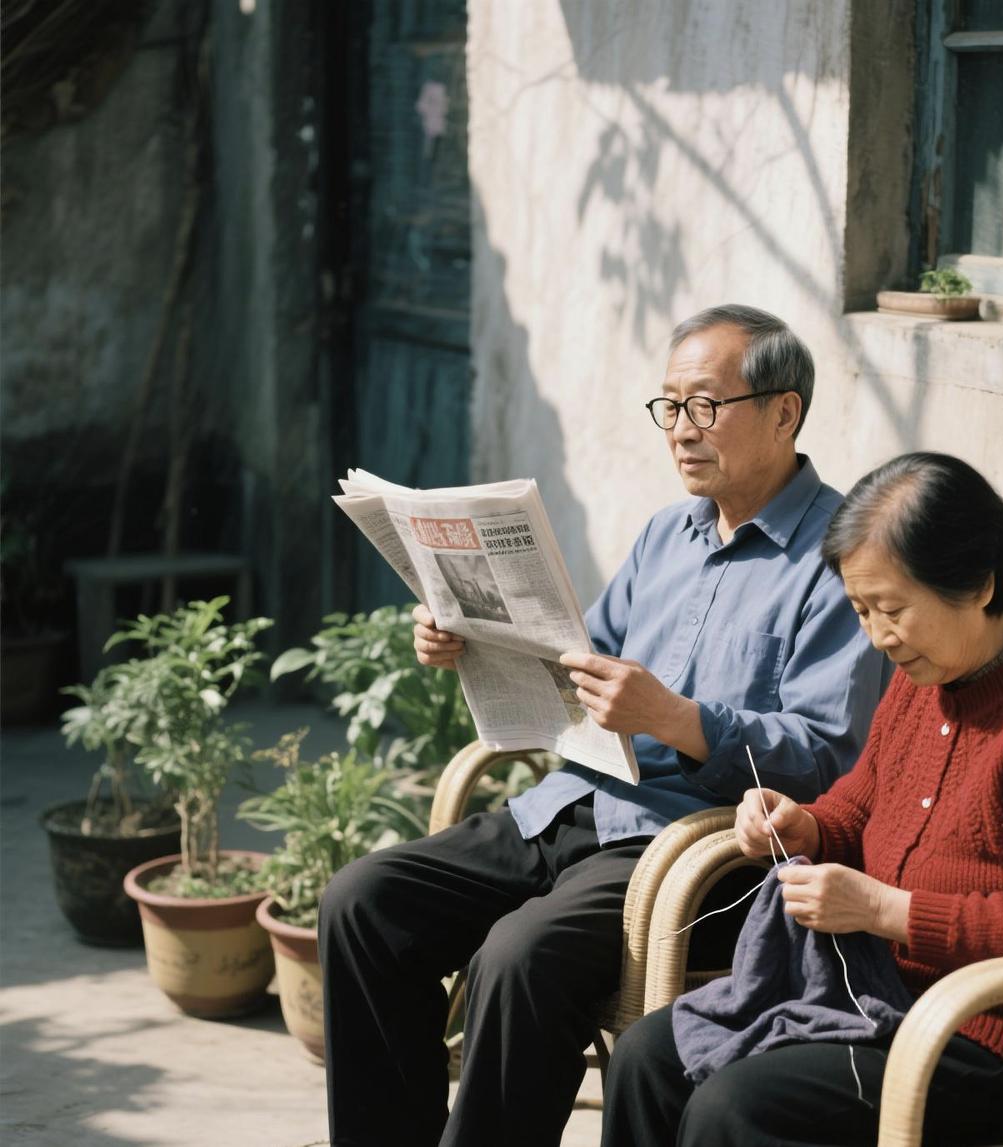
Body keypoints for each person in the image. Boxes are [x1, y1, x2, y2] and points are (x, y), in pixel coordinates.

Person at [319, 305, 892, 1146]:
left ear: (784, 411)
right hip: (571, 806)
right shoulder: (670, 533)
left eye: (704, 405)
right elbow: (574, 658)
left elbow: (829, 761)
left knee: (517, 957)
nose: (681, 431)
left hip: (692, 852)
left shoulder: (838, 560)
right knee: (363, 902)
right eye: (669, 406)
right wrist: (466, 635)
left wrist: (680, 719)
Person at [601, 452, 1003, 1147]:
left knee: (735, 1106)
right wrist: (803, 824)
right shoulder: (926, 673)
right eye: (861, 610)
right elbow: (859, 805)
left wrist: (884, 910)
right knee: (650, 1054)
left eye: (891, 609)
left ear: (980, 584)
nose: (876, 636)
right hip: (874, 994)